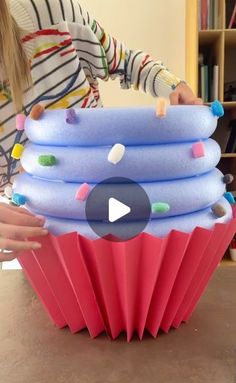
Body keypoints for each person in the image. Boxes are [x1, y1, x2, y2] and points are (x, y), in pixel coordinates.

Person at [0, 0, 202, 262]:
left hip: (115, 203)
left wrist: (174, 87)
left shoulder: (50, 11)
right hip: (42, 241)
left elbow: (125, 61)